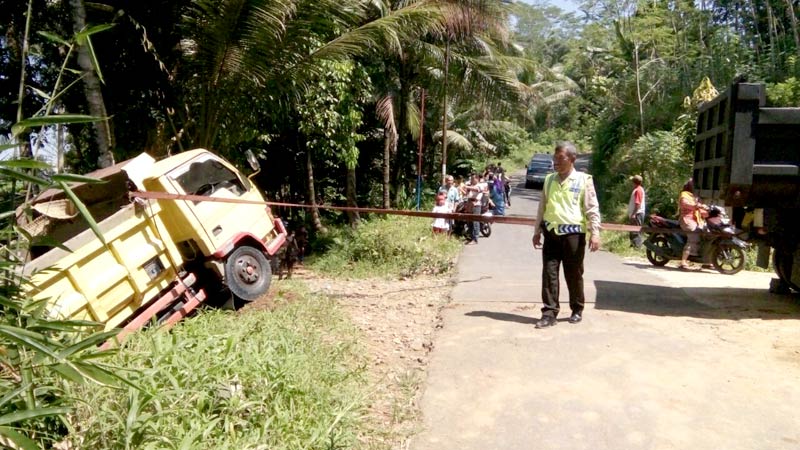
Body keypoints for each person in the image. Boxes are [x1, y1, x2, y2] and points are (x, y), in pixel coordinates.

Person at [532, 141, 601, 328]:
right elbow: (542, 207)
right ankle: (549, 313)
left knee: (574, 273)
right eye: (555, 158)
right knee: (549, 274)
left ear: (572, 159)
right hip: (551, 234)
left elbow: (592, 208)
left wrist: (595, 233)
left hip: (573, 235)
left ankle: (577, 308)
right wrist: (537, 230)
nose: (556, 162)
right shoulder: (549, 180)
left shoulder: (584, 180)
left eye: (560, 158)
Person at [678, 179, 708, 270]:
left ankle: (706, 260)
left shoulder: (694, 196)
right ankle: (683, 261)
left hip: (696, 220)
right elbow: (685, 204)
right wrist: (696, 206)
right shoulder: (684, 195)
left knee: (706, 233)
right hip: (687, 220)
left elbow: (699, 208)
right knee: (693, 236)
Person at [463, 173, 484, 245]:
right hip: (469, 204)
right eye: (471, 178)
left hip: (476, 205)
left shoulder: (480, 185)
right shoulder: (471, 186)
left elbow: (477, 190)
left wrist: (467, 187)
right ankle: (471, 237)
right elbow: (466, 194)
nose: (471, 180)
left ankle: (475, 238)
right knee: (469, 222)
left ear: (477, 179)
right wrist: (466, 190)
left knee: (475, 221)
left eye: (473, 178)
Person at [627, 175, 646, 248]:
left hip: (637, 214)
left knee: (635, 231)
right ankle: (633, 245)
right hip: (637, 213)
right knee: (633, 230)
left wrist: (634, 214)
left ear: (634, 182)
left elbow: (638, 203)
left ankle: (637, 246)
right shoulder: (638, 189)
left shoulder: (638, 190)